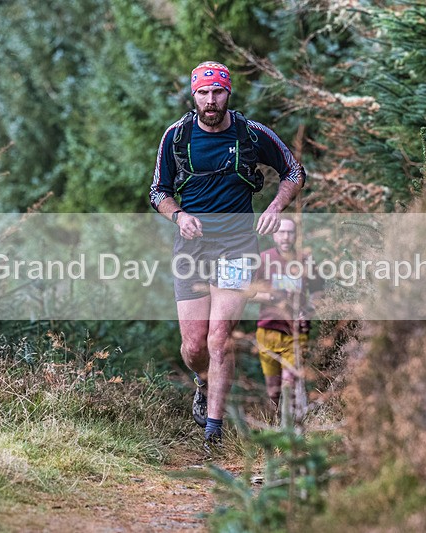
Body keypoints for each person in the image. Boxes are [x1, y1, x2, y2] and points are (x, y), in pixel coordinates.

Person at [149, 61, 305, 451]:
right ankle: (202, 383)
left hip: (237, 247)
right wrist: (179, 215)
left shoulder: (251, 133)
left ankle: (213, 432)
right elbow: (157, 191)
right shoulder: (177, 136)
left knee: (220, 340)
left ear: (228, 93)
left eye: (217, 92)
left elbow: (293, 171)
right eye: (203, 93)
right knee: (195, 347)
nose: (211, 100)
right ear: (194, 95)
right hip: (192, 249)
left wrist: (275, 208)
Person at [253, 217, 323, 414]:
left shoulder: (305, 259)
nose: (286, 236)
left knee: (289, 384)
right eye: (281, 232)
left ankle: (292, 428)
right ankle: (277, 425)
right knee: (273, 390)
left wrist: (308, 309)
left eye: (290, 232)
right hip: (267, 329)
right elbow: (246, 293)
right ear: (274, 235)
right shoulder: (263, 259)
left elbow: (318, 290)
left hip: (296, 331)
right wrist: (270, 297)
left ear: (296, 235)